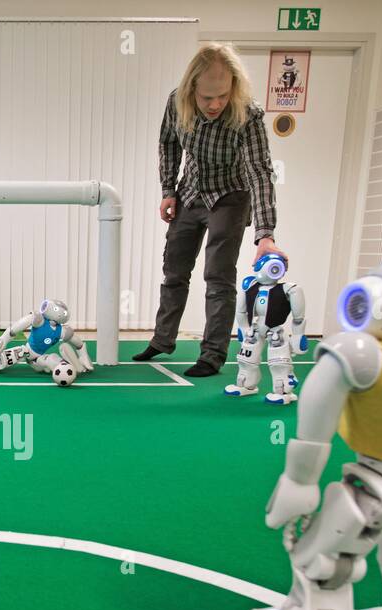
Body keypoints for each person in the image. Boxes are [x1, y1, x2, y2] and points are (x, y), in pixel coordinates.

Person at [134, 43, 286, 377]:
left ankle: (212, 354)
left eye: (222, 95)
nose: (215, 104)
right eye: (207, 98)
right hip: (190, 193)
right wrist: (167, 191)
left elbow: (260, 172)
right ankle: (162, 340)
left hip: (231, 196)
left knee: (217, 276)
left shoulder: (248, 114)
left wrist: (265, 234)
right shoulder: (177, 102)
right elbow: (168, 143)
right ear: (192, 90)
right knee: (174, 270)